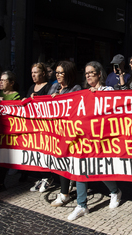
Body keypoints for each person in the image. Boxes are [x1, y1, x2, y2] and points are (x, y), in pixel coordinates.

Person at [67, 61, 122, 221]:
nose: (89, 75)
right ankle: (81, 205)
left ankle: (114, 191)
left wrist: (97, 94)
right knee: (80, 168)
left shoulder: (108, 90)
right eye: (86, 73)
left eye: (91, 72)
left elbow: (113, 108)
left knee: (100, 168)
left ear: (99, 74)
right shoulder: (84, 93)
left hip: (102, 137)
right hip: (86, 137)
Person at [49, 61, 82, 207]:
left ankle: (64, 194)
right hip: (55, 130)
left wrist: (61, 99)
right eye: (56, 72)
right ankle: (65, 188)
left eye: (61, 72)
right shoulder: (54, 86)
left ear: (69, 73)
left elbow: (75, 107)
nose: (58, 75)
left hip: (69, 131)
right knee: (59, 160)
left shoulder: (76, 88)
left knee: (64, 160)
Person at [20, 62, 52, 188]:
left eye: (36, 72)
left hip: (44, 125)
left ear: (43, 73)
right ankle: (40, 176)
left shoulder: (48, 87)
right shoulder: (31, 87)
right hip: (32, 126)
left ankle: (47, 177)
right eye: (32, 73)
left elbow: (49, 103)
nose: (33, 75)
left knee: (44, 151)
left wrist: (38, 99)